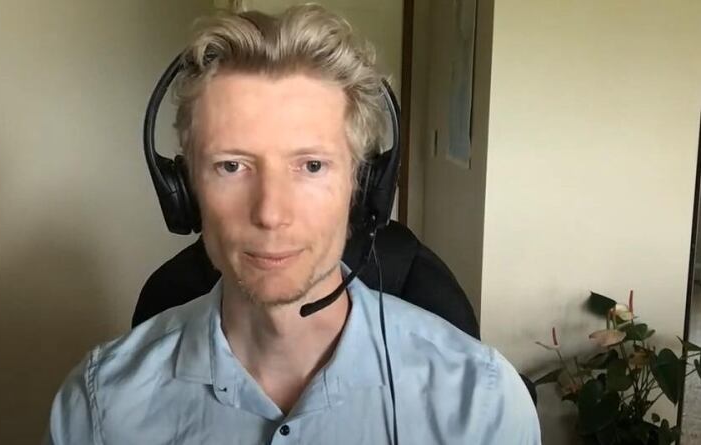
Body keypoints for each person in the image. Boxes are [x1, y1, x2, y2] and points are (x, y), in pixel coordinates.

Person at [45, 4, 541, 444]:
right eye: (231, 166)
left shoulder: (484, 405)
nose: (270, 213)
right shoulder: (99, 409)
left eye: (311, 166)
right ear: (184, 188)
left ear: (364, 186)